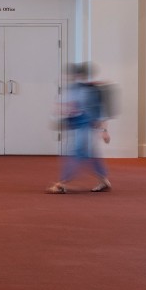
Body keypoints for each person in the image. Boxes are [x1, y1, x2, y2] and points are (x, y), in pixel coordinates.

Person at [48, 62, 112, 194]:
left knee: (78, 151)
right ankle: (103, 180)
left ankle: (62, 183)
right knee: (89, 154)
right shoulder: (73, 88)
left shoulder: (92, 90)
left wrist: (104, 131)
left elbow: (101, 111)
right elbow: (68, 106)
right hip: (78, 125)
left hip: (87, 125)